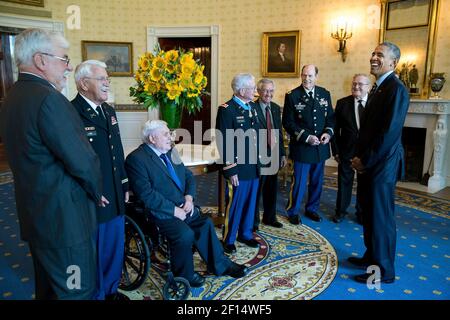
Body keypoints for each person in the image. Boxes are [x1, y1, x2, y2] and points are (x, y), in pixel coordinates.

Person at [0, 28, 106, 299]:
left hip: (36, 215)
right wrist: (97, 191)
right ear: (41, 60)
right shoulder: (49, 100)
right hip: (65, 223)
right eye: (64, 59)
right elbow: (83, 161)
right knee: (76, 291)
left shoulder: (12, 97)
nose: (68, 68)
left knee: (48, 290)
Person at [125, 120, 248, 288]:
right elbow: (146, 195)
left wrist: (189, 198)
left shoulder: (170, 151)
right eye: (166, 134)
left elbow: (188, 176)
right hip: (159, 212)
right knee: (185, 235)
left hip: (183, 204)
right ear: (152, 138)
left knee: (205, 223)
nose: (171, 137)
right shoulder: (136, 159)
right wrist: (174, 210)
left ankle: (221, 265)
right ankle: (185, 275)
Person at [350, 42, 409, 284]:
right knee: (369, 214)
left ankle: (383, 271)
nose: (374, 57)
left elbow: (388, 133)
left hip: (381, 165)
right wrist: (360, 157)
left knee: (381, 218)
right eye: (373, 53)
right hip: (370, 164)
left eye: (380, 55)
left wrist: (365, 160)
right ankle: (371, 257)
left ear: (393, 63)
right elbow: (368, 130)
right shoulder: (377, 88)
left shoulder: (397, 89)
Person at [72, 60, 129, 300]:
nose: (107, 83)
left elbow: (117, 149)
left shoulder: (108, 110)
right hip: (95, 195)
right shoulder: (72, 112)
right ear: (84, 84)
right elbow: (72, 159)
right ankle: (97, 294)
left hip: (114, 191)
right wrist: (91, 189)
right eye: (102, 79)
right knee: (97, 249)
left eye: (108, 79)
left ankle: (112, 290)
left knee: (115, 244)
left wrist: (124, 183)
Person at [282, 64, 334, 224]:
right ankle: (293, 211)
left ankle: (312, 209)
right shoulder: (292, 95)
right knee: (299, 183)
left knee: (317, 182)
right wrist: (306, 137)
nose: (307, 79)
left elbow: (331, 118)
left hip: (320, 147)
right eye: (304, 75)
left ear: (316, 76)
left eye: (310, 76)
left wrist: (328, 133)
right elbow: (288, 123)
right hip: (303, 147)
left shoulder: (324, 94)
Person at [215, 73, 260, 254]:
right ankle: (229, 238)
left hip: (253, 165)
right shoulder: (227, 109)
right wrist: (230, 169)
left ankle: (246, 234)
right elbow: (223, 141)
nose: (255, 90)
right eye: (253, 87)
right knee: (235, 204)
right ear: (242, 90)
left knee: (250, 203)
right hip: (238, 167)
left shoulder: (253, 107)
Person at [330, 74, 371, 224]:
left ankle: (361, 213)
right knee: (344, 182)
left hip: (367, 153)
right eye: (354, 84)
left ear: (368, 87)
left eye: (360, 84)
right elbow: (334, 129)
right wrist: (335, 151)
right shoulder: (342, 103)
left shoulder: (374, 103)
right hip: (346, 150)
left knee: (364, 184)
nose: (356, 87)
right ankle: (340, 212)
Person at [253, 78, 287, 231]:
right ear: (258, 91)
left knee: (272, 189)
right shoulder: (251, 107)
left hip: (273, 154)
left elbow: (279, 133)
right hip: (258, 157)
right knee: (257, 190)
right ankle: (253, 222)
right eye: (266, 90)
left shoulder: (275, 108)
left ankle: (270, 217)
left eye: (271, 91)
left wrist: (282, 154)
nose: (269, 94)